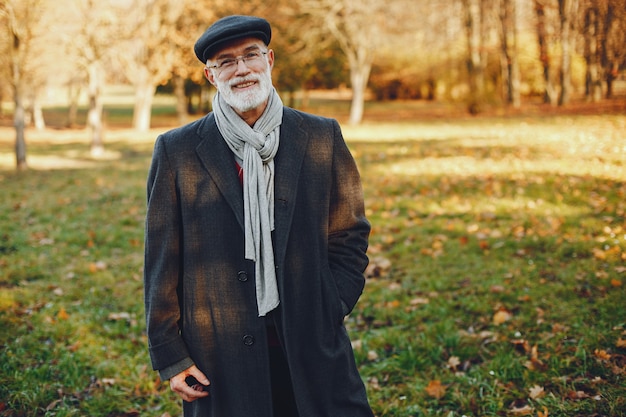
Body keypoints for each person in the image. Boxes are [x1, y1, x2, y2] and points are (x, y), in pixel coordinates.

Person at [144, 14, 373, 417]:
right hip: (219, 355)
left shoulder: (321, 136)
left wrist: (330, 303)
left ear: (269, 60)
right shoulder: (177, 151)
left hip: (311, 342)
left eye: (250, 55)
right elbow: (162, 263)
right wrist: (171, 354)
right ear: (211, 76)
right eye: (226, 62)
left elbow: (349, 232)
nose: (242, 69)